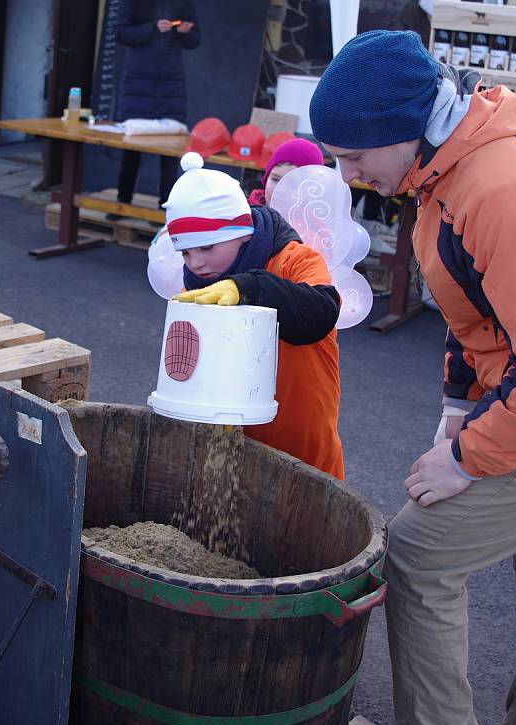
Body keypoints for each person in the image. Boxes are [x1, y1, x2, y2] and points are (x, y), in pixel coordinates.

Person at [309, 29, 516, 725]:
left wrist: (467, 457)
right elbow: (476, 311)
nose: (344, 174)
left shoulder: (497, 188)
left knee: (418, 556)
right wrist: (459, 410)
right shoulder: (449, 167)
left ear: (405, 125)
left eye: (353, 156)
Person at [166, 152, 344, 480]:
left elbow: (321, 312)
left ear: (244, 233)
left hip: (299, 437)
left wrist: (250, 287)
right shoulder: (203, 278)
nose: (196, 263)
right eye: (186, 252)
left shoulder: (296, 259)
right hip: (230, 438)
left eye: (206, 248)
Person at [112, 0, 200, 217]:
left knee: (170, 150)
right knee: (131, 147)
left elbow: (196, 39)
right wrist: (152, 28)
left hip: (172, 82)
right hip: (138, 80)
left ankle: (164, 210)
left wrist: (185, 32)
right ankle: (122, 203)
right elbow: (121, 33)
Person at [247, 138, 324, 206]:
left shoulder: (312, 222)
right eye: (275, 179)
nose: (281, 191)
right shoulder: (243, 215)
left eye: (293, 185)